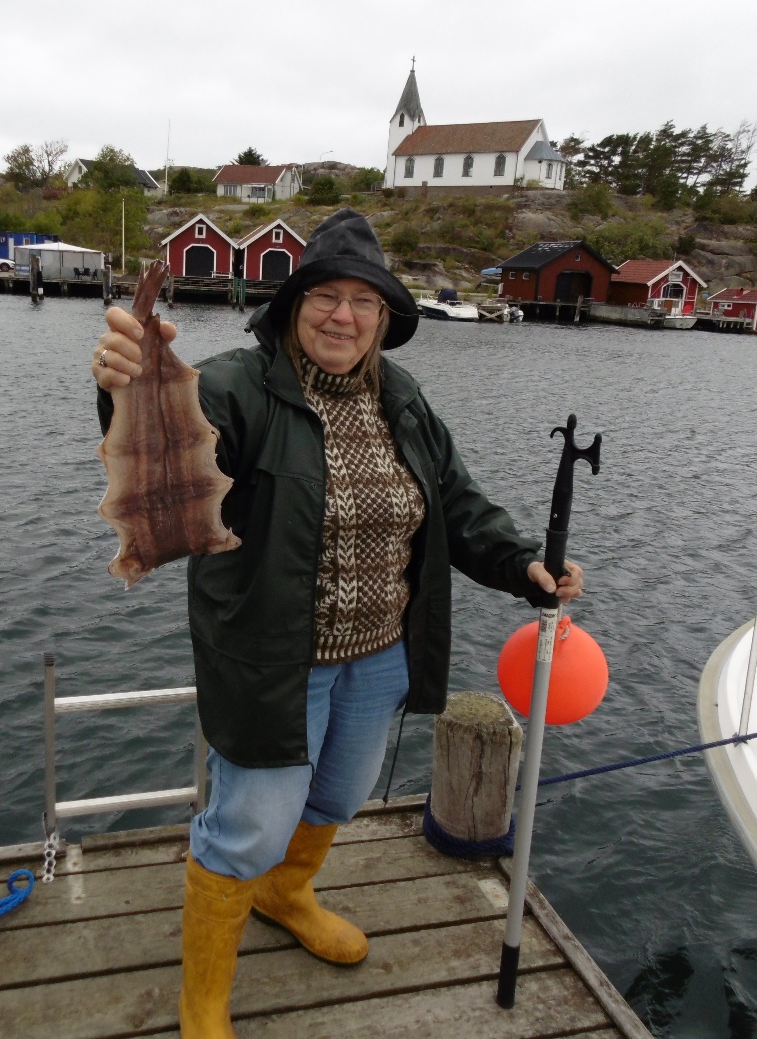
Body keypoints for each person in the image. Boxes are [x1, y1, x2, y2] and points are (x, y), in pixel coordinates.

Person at [92, 209, 582, 1038]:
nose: (343, 315)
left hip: (381, 653)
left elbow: (456, 504)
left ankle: (286, 894)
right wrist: (124, 389)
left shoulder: (404, 398)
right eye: (325, 294)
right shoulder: (236, 388)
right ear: (290, 307)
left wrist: (522, 563)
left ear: (385, 319)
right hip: (271, 660)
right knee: (249, 824)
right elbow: (161, 454)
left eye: (365, 300)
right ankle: (203, 996)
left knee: (340, 793)